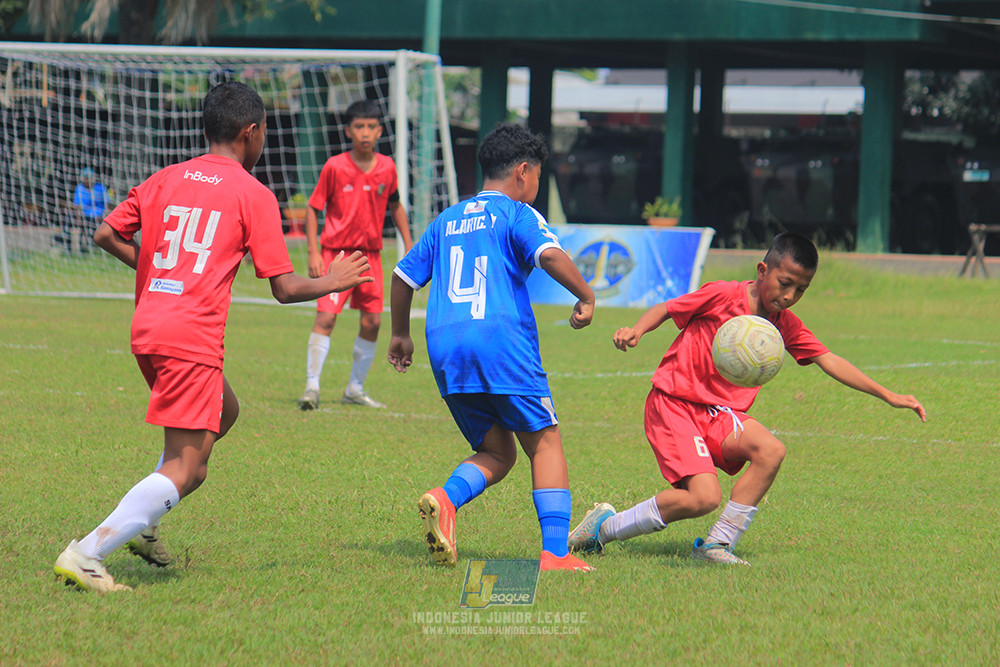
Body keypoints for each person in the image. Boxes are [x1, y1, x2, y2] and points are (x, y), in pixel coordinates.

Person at [53, 81, 372, 593]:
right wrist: (332, 282)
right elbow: (285, 289)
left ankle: (146, 522)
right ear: (251, 132)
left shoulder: (165, 178)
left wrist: (161, 271)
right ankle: (88, 552)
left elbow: (106, 234)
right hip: (189, 336)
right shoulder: (253, 193)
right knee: (188, 467)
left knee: (225, 412)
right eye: (265, 131)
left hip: (149, 326)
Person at [568, 232, 927, 565]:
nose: (788, 296)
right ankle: (603, 528)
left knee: (771, 451)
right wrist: (636, 331)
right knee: (703, 497)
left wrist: (887, 395)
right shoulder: (723, 294)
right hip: (674, 403)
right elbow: (668, 308)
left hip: (720, 414)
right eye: (784, 284)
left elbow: (828, 359)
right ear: (762, 270)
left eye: (800, 290)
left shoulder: (782, 323)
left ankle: (717, 545)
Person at [388, 122, 596, 572]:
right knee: (544, 442)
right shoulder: (516, 212)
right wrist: (586, 295)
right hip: (501, 343)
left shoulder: (445, 220)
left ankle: (445, 498)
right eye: (538, 176)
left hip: (446, 350)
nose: (536, 186)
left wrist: (400, 334)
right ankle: (555, 554)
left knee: (499, 453)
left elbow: (403, 276)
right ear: (523, 172)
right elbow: (549, 255)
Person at [297, 99, 413, 411]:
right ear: (348, 131)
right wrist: (313, 252)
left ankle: (355, 388)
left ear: (379, 131)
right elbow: (312, 207)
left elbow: (395, 204)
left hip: (371, 257)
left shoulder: (387, 167)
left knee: (373, 323)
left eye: (371, 127)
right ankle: (311, 388)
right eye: (359, 126)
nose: (365, 132)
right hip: (337, 255)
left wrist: (408, 243)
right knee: (326, 317)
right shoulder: (335, 166)